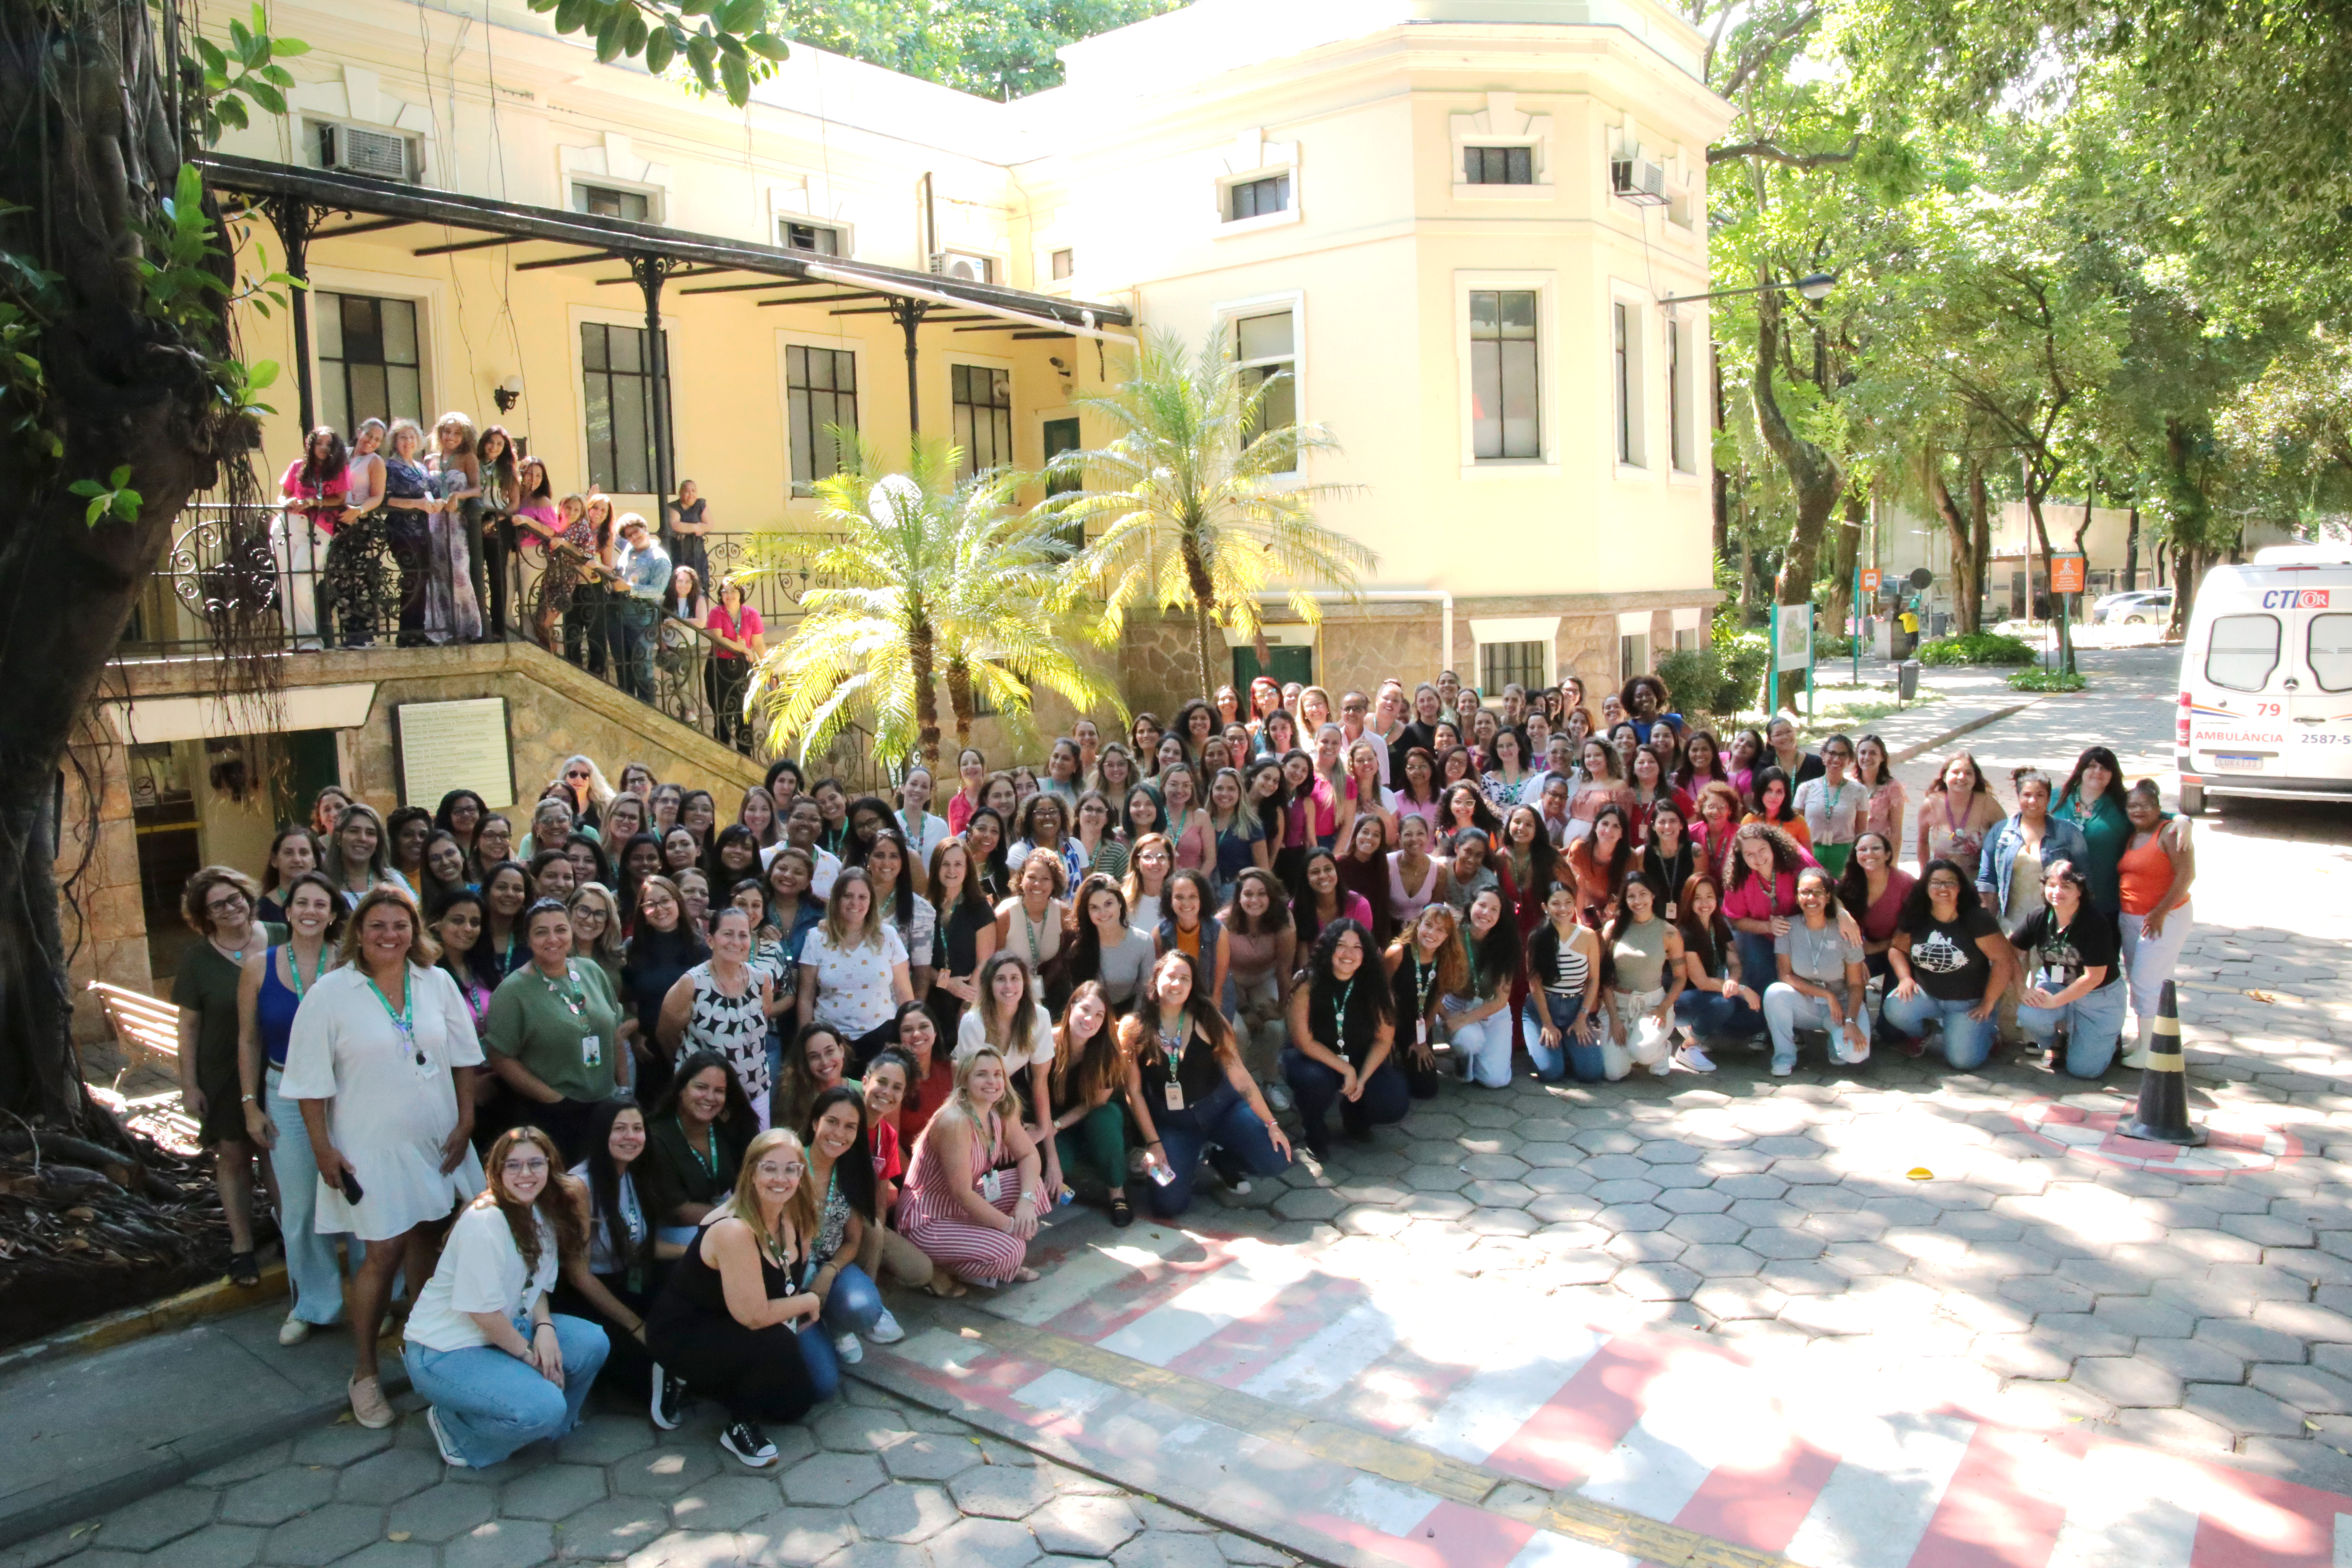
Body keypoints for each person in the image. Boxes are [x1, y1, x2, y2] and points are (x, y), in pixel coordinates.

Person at [282, 887, 486, 1428]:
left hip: (436, 1140)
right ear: (358, 933)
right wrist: (323, 1147)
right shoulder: (331, 993)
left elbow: (465, 1058)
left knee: (429, 1238)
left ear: (415, 930)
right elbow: (308, 1083)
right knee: (382, 1251)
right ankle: (365, 1373)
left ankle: (423, 1356)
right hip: (367, 1147)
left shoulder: (435, 982)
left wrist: (466, 1121)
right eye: (377, 926)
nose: (389, 935)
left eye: (400, 925)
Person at [401, 1125, 605, 1469]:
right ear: (496, 1172)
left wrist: (546, 1329)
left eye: (535, 1164)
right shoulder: (485, 1223)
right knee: (545, 1406)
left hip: (503, 1330)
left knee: (592, 1343)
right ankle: (458, 1430)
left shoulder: (539, 1212)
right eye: (513, 1165)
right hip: (447, 1350)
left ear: (549, 1167)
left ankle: (541, 1430)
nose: (526, 1174)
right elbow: (483, 1315)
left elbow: (536, 1284)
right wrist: (532, 1358)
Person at [644, 1128, 824, 1467]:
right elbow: (754, 1316)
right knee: (777, 1346)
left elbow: (787, 1284)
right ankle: (737, 1422)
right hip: (688, 1330)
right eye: (770, 1168)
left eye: (791, 1169)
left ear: (802, 1173)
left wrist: (792, 1308)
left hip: (736, 1324)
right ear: (752, 1173)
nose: (781, 1179)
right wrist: (809, 1303)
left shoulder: (798, 1214)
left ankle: (708, 1382)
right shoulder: (735, 1229)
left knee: (796, 1405)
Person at [237, 871, 357, 1341]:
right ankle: (314, 1304)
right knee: (301, 1205)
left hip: (345, 1091)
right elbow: (248, 1039)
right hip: (284, 1091)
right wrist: (251, 1104)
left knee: (358, 1195)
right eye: (301, 903)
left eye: (320, 905)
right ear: (287, 912)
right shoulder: (258, 966)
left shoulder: (348, 964)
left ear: (332, 915)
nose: (310, 911)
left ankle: (381, 1295)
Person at [1117, 952, 1291, 1219]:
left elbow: (1241, 1077)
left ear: (1193, 986)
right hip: (1173, 1123)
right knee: (1167, 1206)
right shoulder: (1135, 1027)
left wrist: (1272, 1124)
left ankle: (1224, 1160)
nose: (1177, 984)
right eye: (1171, 976)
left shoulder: (1209, 1018)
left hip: (1222, 1109)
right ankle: (1188, 1163)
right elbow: (1134, 1092)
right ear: (1156, 980)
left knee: (1276, 1158)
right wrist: (1154, 1142)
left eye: (1184, 979)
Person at [173, 866, 282, 1290]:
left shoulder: (281, 936)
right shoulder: (196, 960)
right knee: (235, 1157)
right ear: (206, 916)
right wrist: (189, 1085)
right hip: (221, 1072)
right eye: (219, 904)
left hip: (279, 1064)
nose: (231, 907)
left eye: (235, 897)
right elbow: (188, 1027)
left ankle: (293, 1236)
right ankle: (242, 1247)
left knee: (279, 1153)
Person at [896, 1047, 1046, 1292]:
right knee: (1013, 1249)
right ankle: (941, 1268)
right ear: (964, 1081)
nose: (992, 1082)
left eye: (998, 1074)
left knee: (1032, 1188)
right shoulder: (955, 1121)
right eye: (982, 1075)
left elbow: (1029, 1155)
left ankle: (986, 1255)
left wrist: (1026, 1203)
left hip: (961, 1206)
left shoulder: (998, 1110)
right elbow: (962, 1194)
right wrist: (1010, 1227)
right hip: (927, 1220)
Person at [484, 900, 625, 1159]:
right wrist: (553, 1099)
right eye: (541, 932)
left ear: (571, 931)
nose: (553, 939)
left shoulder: (592, 971)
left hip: (606, 1106)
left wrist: (624, 1094)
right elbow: (500, 1057)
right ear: (528, 939)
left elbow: (615, 1032)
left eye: (561, 929)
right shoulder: (513, 991)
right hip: (556, 1115)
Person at [797, 1086, 908, 1377]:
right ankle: (811, 1325)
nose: (839, 1133)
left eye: (850, 1127)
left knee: (864, 1307)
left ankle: (835, 1324)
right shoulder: (791, 1165)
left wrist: (829, 1272)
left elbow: (853, 1241)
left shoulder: (853, 1171)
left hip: (828, 1265)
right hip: (787, 1277)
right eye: (832, 1122)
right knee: (823, 1382)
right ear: (814, 1123)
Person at [555, 1099, 660, 1396]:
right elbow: (579, 1276)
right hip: (585, 1295)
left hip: (626, 1277)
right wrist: (636, 1325)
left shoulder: (634, 1172)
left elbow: (641, 1244)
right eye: (620, 1129)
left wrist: (695, 1248)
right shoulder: (581, 1187)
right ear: (602, 1134)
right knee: (648, 1372)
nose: (631, 1137)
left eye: (637, 1129)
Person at [1281, 919, 1406, 1157]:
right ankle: (1313, 1126)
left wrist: (1362, 1078)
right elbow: (1303, 1041)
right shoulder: (1308, 982)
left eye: (1357, 947)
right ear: (1328, 948)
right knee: (1315, 1083)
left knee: (1393, 1102)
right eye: (1341, 945)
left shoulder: (1375, 985)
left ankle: (1356, 1115)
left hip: (1359, 1056)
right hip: (1313, 1058)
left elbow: (1383, 1039)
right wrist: (1346, 1070)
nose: (1349, 954)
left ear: (1365, 952)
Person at [1882, 859, 2012, 1069]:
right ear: (1926, 887)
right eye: (1936, 883)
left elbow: (2003, 961)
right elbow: (1897, 949)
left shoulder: (1977, 919)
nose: (1943, 888)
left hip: (1969, 1004)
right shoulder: (1916, 916)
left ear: (1960, 887)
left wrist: (1989, 1002)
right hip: (1929, 997)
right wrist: (1905, 978)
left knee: (1963, 1062)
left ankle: (1989, 1032)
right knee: (1895, 1007)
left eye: (1950, 883)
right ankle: (1925, 1032)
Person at [659, 905, 781, 1124]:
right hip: (707, 1098)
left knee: (757, 1157)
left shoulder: (762, 981)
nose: (736, 942)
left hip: (756, 1092)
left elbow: (761, 1025)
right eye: (728, 934)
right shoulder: (691, 984)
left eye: (743, 935)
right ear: (710, 941)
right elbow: (666, 1036)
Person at [2009, 861, 2128, 1078]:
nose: (2057, 892)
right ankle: (2056, 1041)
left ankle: (2108, 1036)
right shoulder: (2039, 916)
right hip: (2055, 983)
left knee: (2084, 1071)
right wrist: (2021, 989)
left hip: (2098, 995)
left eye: (2066, 886)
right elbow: (2012, 952)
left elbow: (2094, 977)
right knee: (2031, 1013)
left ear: (2080, 891)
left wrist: (2054, 1002)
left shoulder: (2095, 923)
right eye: (2051, 885)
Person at [640, 1051, 755, 1255]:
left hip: (718, 1219)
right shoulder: (657, 1138)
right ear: (681, 1090)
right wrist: (742, 1217)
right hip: (671, 1232)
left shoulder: (725, 1127)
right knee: (738, 1242)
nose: (710, 1098)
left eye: (719, 1091)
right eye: (701, 1087)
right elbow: (679, 1212)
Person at [2116, 780, 2196, 1069]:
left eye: (2146, 805)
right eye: (2133, 806)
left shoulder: (2169, 833)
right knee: (2139, 980)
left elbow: (2187, 875)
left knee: (2148, 981)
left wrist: (2161, 911)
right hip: (2132, 917)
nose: (2139, 810)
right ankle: (2144, 1039)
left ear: (2158, 808)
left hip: (2165, 917)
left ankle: (2151, 1049)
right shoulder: (2133, 835)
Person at [796, 868, 913, 1064]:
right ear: (837, 899)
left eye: (862, 897)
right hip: (830, 1041)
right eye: (848, 896)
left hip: (881, 1036)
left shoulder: (888, 936)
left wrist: (908, 1037)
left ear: (871, 901)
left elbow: (904, 993)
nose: (855, 903)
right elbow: (806, 997)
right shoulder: (816, 938)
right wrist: (806, 1042)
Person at [1762, 867, 1871, 1075]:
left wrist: (1851, 1021)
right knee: (1775, 992)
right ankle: (1785, 1056)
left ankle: (1836, 1040)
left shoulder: (1845, 931)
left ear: (1828, 897)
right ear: (1797, 897)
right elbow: (1785, 976)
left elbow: (1856, 984)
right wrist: (1826, 995)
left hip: (1844, 1006)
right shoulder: (1787, 928)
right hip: (1809, 1004)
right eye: (1805, 892)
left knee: (1855, 1055)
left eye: (1818, 893)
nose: (1811, 898)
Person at [1040, 984, 1135, 1224]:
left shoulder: (1108, 1052)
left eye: (1099, 1015)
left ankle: (1116, 1191)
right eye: (1085, 1009)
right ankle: (1075, 1170)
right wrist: (1051, 1136)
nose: (1090, 1019)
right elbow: (1038, 1098)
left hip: (1090, 1116)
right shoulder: (1045, 1043)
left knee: (1106, 1117)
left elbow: (1096, 1102)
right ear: (1071, 1007)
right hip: (1051, 1120)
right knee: (1059, 1163)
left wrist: (1058, 1124)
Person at [1976, 770, 2088, 971]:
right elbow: (1987, 880)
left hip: (2052, 926)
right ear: (2018, 797)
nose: (2033, 801)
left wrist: (2076, 925)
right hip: (2011, 925)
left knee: (2049, 986)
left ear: (2049, 798)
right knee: (2008, 988)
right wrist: (1987, 925)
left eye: (2040, 795)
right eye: (2027, 795)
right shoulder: (2001, 832)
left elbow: (2084, 881)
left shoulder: (2068, 833)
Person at [620, 876, 707, 1105]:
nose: (659, 909)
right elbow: (626, 999)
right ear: (643, 913)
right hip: (650, 1053)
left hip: (694, 1049)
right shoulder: (632, 949)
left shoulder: (701, 947)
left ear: (678, 902)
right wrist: (636, 1035)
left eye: (665, 901)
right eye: (651, 904)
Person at [1602, 873, 1694, 1076]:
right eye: (1631, 896)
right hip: (1618, 1006)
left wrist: (1663, 1008)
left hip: (1652, 1006)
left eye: (1643, 894)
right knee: (1613, 1073)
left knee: (1642, 1053)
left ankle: (1660, 1052)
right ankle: (1631, 1048)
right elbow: (1605, 979)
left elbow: (1680, 977)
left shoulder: (1668, 932)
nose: (1638, 901)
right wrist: (1615, 1020)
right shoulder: (1612, 929)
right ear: (1625, 900)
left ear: (1653, 895)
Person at [1221, 868, 1297, 1096]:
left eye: (1262, 894)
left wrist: (1282, 1008)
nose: (1255, 900)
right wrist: (1244, 1010)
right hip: (1230, 983)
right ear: (1239, 897)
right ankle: (1237, 1091)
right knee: (1238, 1033)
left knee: (1275, 1028)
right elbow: (1221, 971)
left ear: (1271, 896)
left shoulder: (1283, 920)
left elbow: (1285, 969)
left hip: (1264, 979)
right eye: (1248, 894)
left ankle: (1270, 1083)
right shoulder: (1223, 923)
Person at [1437, 888, 1519, 1087]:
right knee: (1469, 1040)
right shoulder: (1453, 936)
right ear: (1471, 906)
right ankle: (1463, 1057)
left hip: (1493, 1009)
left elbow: (1501, 999)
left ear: (1501, 916)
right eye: (1482, 905)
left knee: (1495, 1080)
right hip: (1457, 1004)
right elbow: (1434, 988)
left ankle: (1478, 1056)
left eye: (1494, 910)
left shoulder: (1508, 943)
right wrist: (1450, 1018)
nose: (1486, 913)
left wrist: (1467, 1019)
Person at [275, 426, 346, 650]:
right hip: (288, 526)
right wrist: (286, 503)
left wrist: (314, 502)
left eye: (328, 444)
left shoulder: (339, 469)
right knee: (286, 581)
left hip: (319, 528)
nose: (323, 448)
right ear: (311, 445)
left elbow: (340, 499)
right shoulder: (298, 466)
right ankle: (296, 638)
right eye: (319, 443)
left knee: (301, 579)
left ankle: (311, 640)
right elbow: (283, 495)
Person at [1672, 875, 1761, 1045]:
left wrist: (1733, 981)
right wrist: (1742, 990)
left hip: (1711, 994)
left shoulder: (1720, 926)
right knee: (1724, 1004)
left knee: (1754, 1020)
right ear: (1688, 901)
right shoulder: (1685, 933)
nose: (1705, 904)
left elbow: (1734, 963)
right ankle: (1690, 1045)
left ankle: (1703, 1027)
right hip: (1681, 999)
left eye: (1710, 897)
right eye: (1698, 898)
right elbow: (1701, 982)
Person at [1838, 831, 1916, 1004]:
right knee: (1847, 970)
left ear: (1888, 854)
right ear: (1856, 854)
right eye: (1863, 849)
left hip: (1902, 952)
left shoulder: (1906, 884)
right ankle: (1858, 1018)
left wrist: (1878, 947)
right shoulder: (1850, 883)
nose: (1869, 854)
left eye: (1876, 848)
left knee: (1891, 1030)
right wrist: (1857, 957)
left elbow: (1909, 932)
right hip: (1868, 950)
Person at [2055, 746, 2133, 917]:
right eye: (2092, 766)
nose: (2098, 772)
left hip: (2104, 902)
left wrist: (2182, 821)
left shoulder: (2122, 804)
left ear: (2113, 775)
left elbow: (2156, 816)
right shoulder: (2056, 798)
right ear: (2081, 770)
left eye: (2105, 768)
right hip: (2059, 900)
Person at [1063, 873, 1155, 1014]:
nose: (1103, 913)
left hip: (1129, 1017)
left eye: (1108, 904)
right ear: (1087, 912)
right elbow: (1075, 997)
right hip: (1088, 1016)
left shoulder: (1144, 943)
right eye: (1094, 908)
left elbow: (1145, 994)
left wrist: (1131, 1022)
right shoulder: (1077, 946)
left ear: (1120, 903)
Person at [1918, 752, 2006, 884]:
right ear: (1945, 776)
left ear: (1976, 777)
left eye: (1968, 773)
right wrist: (1924, 877)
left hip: (1978, 888)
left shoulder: (1989, 805)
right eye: (1956, 772)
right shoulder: (1931, 805)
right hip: (1942, 886)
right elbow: (1922, 842)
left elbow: (2007, 840)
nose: (1962, 777)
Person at [612, 515, 671, 703]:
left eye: (635, 532)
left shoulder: (661, 559)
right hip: (621, 614)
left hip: (644, 620)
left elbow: (657, 591)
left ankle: (649, 707)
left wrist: (629, 588)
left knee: (641, 664)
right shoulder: (629, 550)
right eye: (629, 535)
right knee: (623, 664)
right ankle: (627, 704)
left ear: (645, 529)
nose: (633, 537)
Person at [1791, 735, 1866, 877]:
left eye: (1842, 755)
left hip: (1844, 855)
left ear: (1850, 759)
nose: (1836, 759)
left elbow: (1861, 833)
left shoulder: (1859, 791)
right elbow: (1796, 828)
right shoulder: (1806, 789)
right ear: (1823, 756)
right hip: (1811, 852)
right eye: (1832, 753)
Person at [704, 579, 765, 751]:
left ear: (741, 594)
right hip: (719, 668)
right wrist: (742, 648)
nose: (729, 595)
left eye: (733, 591)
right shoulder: (716, 613)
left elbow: (758, 644)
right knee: (722, 717)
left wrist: (767, 664)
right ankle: (723, 757)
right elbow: (718, 638)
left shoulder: (752, 614)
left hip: (742, 669)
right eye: (725, 592)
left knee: (744, 717)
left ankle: (746, 759)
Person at [1296, 846, 1376, 952]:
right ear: (1306, 879)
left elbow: (1364, 950)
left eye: (1328, 869)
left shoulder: (1360, 906)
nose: (1323, 876)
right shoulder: (1298, 907)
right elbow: (1302, 956)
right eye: (1315, 872)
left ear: (1337, 872)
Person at [322, 802, 394, 908]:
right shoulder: (321, 884)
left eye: (370, 833)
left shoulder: (394, 881)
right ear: (338, 838)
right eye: (354, 831)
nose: (363, 838)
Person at [1852, 735, 1908, 850]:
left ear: (1882, 757)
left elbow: (1896, 832)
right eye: (1863, 753)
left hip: (1878, 853)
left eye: (1873, 753)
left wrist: (1893, 864)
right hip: (1850, 852)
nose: (1867, 757)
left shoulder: (1892, 788)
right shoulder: (1849, 784)